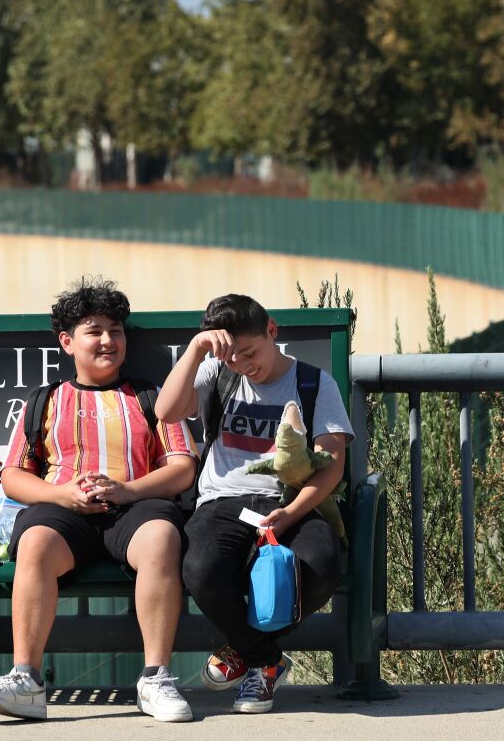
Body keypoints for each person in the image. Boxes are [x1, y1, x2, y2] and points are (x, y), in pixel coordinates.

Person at [0, 278, 198, 722]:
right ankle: (25, 681)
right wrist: (60, 495)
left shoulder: (151, 395)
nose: (108, 341)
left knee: (163, 537)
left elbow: (183, 466)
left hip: (136, 507)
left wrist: (129, 490)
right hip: (63, 511)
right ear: (68, 342)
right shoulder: (45, 400)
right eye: (95, 331)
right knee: (33, 543)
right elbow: (13, 476)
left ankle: (156, 678)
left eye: (117, 330)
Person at [155, 294, 350, 714]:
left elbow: (331, 466)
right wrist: (197, 349)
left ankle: (241, 650)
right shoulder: (215, 373)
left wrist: (292, 513)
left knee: (321, 563)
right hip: (223, 501)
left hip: (290, 500)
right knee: (201, 569)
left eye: (250, 352)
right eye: (232, 357)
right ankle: (265, 660)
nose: (243, 365)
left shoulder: (315, 383)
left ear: (272, 331)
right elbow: (167, 412)